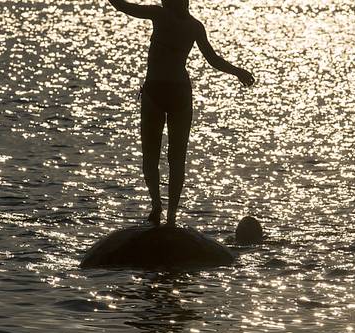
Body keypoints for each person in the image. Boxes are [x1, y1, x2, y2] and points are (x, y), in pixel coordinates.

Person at [107, 0, 255, 226]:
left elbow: (123, 7)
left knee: (151, 156)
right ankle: (171, 216)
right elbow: (213, 60)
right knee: (177, 160)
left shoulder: (158, 14)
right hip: (180, 94)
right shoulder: (194, 26)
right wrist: (238, 72)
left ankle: (157, 206)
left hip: (156, 91)